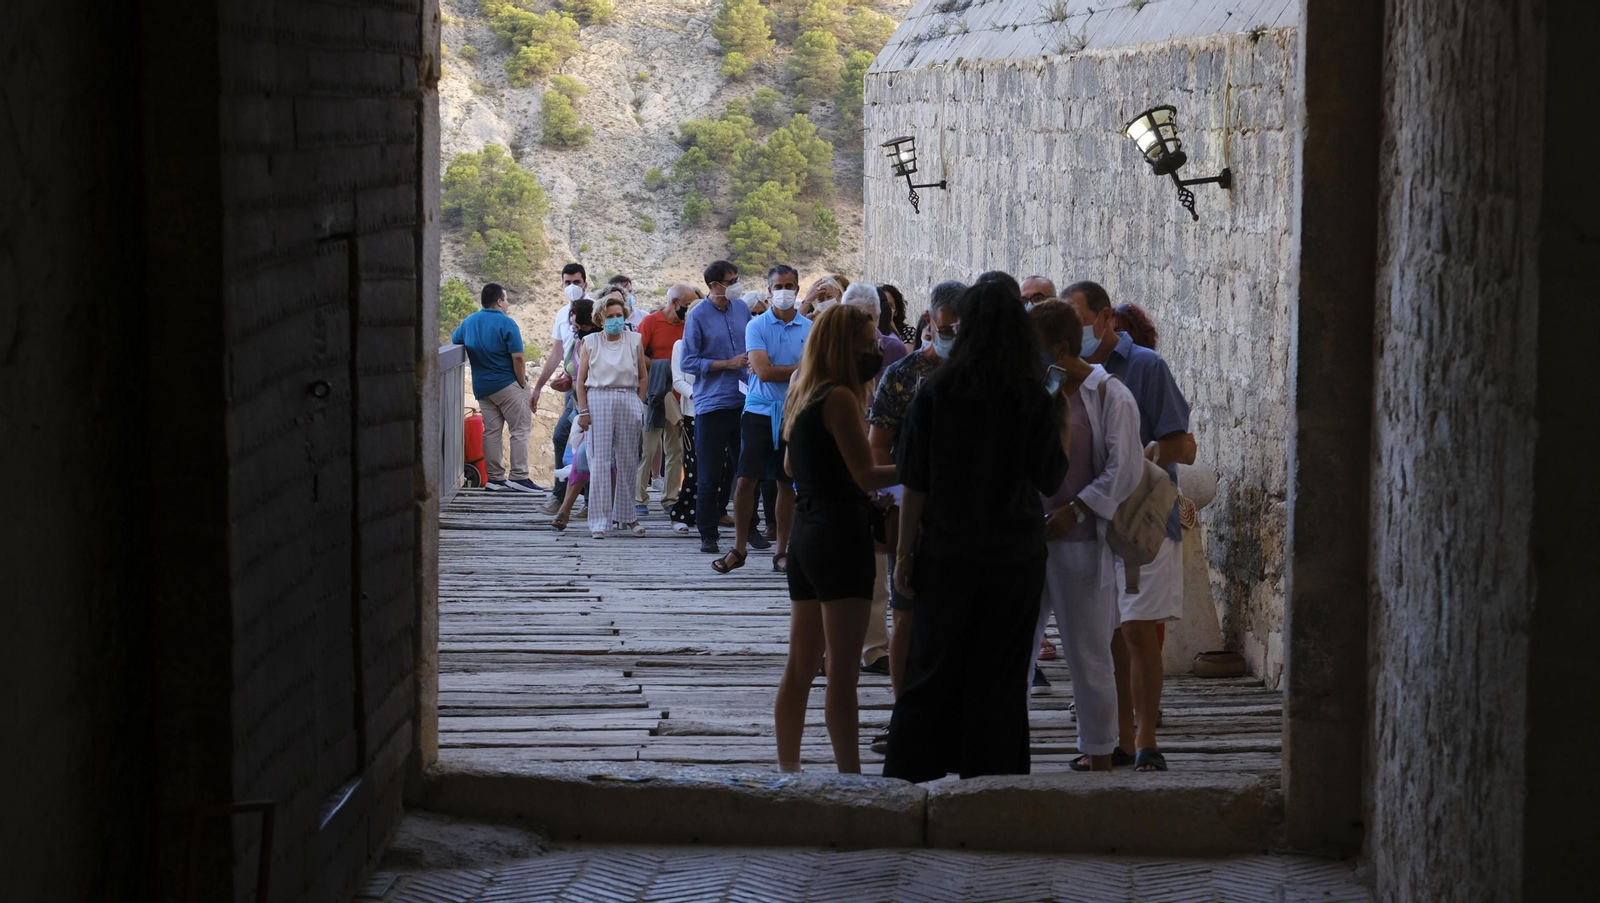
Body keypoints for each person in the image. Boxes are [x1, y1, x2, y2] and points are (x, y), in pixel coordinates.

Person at [883, 281, 1070, 783]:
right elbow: (1051, 476)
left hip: (946, 552)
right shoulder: (1031, 395)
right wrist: (1061, 418)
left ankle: (909, 778)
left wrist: (904, 556)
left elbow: (914, 483)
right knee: (1001, 675)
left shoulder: (935, 393)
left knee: (932, 668)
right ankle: (992, 785)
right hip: (1013, 555)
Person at [1065, 279, 1196, 773]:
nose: (1073, 331)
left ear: (1105, 318)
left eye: (1078, 318)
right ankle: (1114, 736)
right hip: (1092, 518)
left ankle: (1145, 738)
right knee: (1106, 633)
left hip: (1143, 517)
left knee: (1139, 630)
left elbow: (1184, 445)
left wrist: (1141, 457)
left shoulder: (1145, 367)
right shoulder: (1065, 374)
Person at [772, 305, 898, 774]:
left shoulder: (803, 392)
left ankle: (789, 770)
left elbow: (789, 468)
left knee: (800, 667)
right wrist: (928, 464)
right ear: (842, 346)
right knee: (842, 675)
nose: (873, 351)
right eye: (866, 344)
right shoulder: (841, 398)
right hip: (841, 534)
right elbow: (865, 472)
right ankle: (850, 779)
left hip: (806, 532)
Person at [1026, 300, 1144, 772]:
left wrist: (1077, 510)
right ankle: (1006, 756)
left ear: (1058, 348)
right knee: (1015, 651)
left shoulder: (1109, 395)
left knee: (1089, 656)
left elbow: (1125, 468)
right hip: (1029, 542)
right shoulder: (1037, 390)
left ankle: (1099, 756)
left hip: (1082, 544)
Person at [866, 281, 964, 699]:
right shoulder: (904, 375)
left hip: (968, 514)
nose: (953, 338)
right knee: (904, 610)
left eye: (963, 331)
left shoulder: (985, 374)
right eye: (946, 329)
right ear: (929, 322)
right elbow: (877, 442)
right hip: (913, 513)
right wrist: (896, 486)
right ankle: (904, 709)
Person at [711, 265, 810, 574]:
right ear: (768, 291)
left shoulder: (810, 327)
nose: (784, 291)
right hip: (759, 410)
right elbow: (764, 372)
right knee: (745, 480)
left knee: (785, 482)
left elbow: (792, 371)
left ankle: (782, 550)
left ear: (797, 289)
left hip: (794, 411)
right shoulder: (755, 326)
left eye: (789, 285)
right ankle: (739, 547)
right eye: (778, 285)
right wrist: (797, 369)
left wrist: (782, 369)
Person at [679, 260, 752, 554]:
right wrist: (726, 364)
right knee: (709, 474)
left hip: (745, 402)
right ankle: (708, 534)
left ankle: (751, 530)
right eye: (731, 280)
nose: (737, 285)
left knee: (747, 472)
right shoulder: (697, 316)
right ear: (715, 286)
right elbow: (688, 362)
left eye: (737, 278)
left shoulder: (744, 310)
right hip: (712, 404)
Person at [574, 289, 649, 538]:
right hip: (599, 397)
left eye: (619, 314)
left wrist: (638, 403)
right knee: (600, 461)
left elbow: (642, 376)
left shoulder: (634, 340)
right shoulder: (591, 342)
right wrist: (583, 411)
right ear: (600, 319)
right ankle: (599, 520)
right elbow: (581, 379)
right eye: (610, 316)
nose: (616, 319)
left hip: (627, 397)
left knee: (628, 460)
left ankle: (628, 516)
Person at [451, 282, 540, 492]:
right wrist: (522, 383)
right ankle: (519, 477)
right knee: (520, 430)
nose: (507, 303)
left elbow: (456, 342)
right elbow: (518, 356)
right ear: (499, 302)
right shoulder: (507, 323)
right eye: (506, 299)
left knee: (491, 432)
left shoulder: (468, 322)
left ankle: (495, 479)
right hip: (508, 384)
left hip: (482, 387)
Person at [534, 263, 593, 514]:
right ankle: (583, 501)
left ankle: (563, 498)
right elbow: (557, 354)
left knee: (565, 436)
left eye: (576, 282)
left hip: (591, 386)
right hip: (572, 387)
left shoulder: (595, 309)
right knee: (579, 441)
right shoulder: (561, 314)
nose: (572, 287)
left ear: (585, 284)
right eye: (567, 283)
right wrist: (538, 387)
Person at [634, 284, 693, 518]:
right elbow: (637, 353)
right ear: (675, 303)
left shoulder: (689, 326)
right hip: (656, 395)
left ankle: (670, 498)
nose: (689, 311)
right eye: (687, 306)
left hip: (679, 398)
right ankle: (640, 497)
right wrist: (663, 367)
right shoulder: (650, 322)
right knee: (647, 448)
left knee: (675, 450)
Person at [668, 326, 698, 535]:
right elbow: (678, 381)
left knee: (723, 467)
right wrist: (698, 396)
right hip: (694, 412)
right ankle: (683, 513)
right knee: (694, 466)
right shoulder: (681, 345)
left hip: (723, 409)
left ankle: (714, 512)